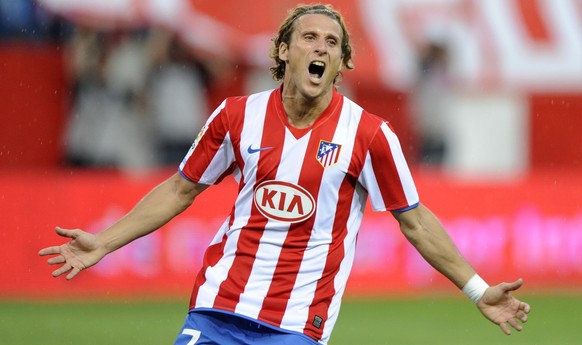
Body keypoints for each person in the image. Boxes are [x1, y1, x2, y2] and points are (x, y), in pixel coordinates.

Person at [39, 4, 530, 345]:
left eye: (332, 43)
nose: (321, 48)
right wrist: (104, 243)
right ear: (283, 52)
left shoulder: (369, 135)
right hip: (218, 307)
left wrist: (477, 290)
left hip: (297, 325)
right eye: (310, 37)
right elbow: (179, 189)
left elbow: (416, 222)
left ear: (340, 63)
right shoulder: (235, 115)